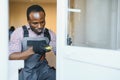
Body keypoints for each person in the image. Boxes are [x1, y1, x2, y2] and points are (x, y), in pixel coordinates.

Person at [9, 4, 56, 80]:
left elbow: (59, 52)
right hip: (26, 70)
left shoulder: (49, 33)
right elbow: (11, 56)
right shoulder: (19, 33)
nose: (40, 26)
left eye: (42, 22)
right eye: (35, 23)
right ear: (28, 21)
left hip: (43, 69)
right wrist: (32, 50)